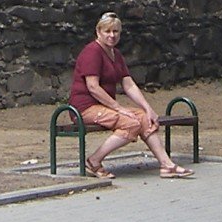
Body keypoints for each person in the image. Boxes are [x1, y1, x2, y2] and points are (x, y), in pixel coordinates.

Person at [70, 13, 193, 180]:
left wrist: (148, 109)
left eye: (116, 31)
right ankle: (93, 161)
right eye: (107, 31)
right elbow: (93, 87)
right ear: (98, 32)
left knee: (143, 118)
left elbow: (128, 84)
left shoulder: (116, 54)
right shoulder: (92, 52)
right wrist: (119, 108)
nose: (112, 35)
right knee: (130, 123)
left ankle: (167, 165)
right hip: (85, 109)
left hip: (104, 107)